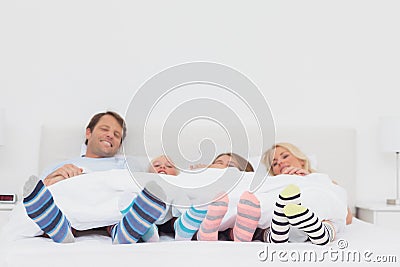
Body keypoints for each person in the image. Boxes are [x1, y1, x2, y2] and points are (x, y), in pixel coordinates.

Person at [22, 111, 166, 244]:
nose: (110, 135)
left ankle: (122, 232)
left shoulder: (129, 164)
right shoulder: (58, 166)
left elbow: (140, 188)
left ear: (119, 144)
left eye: (117, 135)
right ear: (88, 133)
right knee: (52, 203)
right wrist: (53, 180)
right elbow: (34, 196)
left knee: (125, 205)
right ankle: (60, 228)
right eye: (104, 129)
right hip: (72, 205)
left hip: (111, 212)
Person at [258, 142, 352, 245]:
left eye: (285, 156)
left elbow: (346, 217)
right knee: (264, 224)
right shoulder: (270, 184)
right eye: (274, 164)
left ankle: (321, 232)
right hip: (281, 225)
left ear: (301, 160)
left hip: (318, 222)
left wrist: (310, 180)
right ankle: (276, 236)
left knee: (336, 222)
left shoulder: (323, 181)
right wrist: (284, 180)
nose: (280, 162)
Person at [188, 153, 260, 242]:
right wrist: (201, 170)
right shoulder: (202, 176)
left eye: (230, 166)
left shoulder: (246, 179)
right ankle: (206, 232)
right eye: (218, 163)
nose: (223, 167)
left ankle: (237, 234)